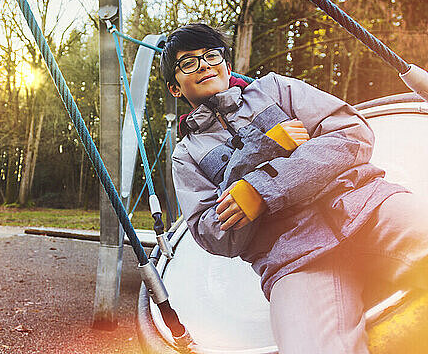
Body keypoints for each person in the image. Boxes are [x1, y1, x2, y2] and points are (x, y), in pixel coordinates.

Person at [161, 23, 428, 353]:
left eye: (212, 55)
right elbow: (214, 233)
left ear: (227, 66)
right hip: (293, 259)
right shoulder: (186, 155)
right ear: (175, 88)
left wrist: (261, 189)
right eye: (188, 62)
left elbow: (350, 134)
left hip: (366, 207)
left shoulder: (274, 90)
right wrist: (265, 148)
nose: (203, 65)